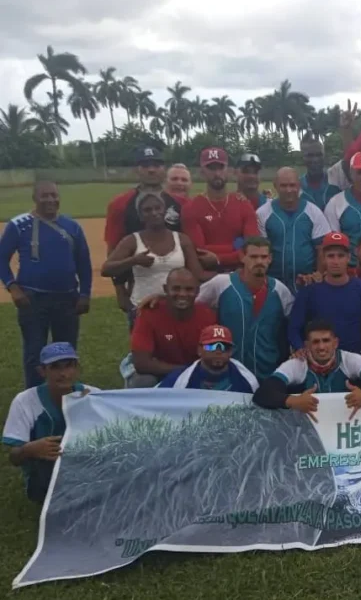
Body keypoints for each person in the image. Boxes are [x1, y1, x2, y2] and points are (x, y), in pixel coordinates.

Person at [1, 181, 91, 388]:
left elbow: (84, 264)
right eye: (45, 196)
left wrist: (84, 294)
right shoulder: (19, 225)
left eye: (54, 195)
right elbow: (1, 258)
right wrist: (13, 287)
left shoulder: (72, 227)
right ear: (35, 198)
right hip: (32, 299)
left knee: (67, 350)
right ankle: (33, 395)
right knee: (34, 351)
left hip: (67, 299)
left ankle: (64, 392)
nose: (50, 200)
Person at [2, 343, 98, 503]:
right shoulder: (25, 401)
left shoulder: (94, 395)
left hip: (84, 461)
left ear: (77, 368)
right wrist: (30, 450)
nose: (63, 374)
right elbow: (14, 457)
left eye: (69, 366)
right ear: (42, 371)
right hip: (47, 470)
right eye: (55, 367)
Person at [101, 190, 209, 327]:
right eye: (147, 210)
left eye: (158, 208)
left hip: (175, 307)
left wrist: (225, 272)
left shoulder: (181, 239)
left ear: (165, 211)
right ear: (140, 216)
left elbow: (197, 274)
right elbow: (106, 269)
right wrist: (133, 261)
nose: (154, 213)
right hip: (142, 306)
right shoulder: (132, 241)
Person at [196, 237, 294, 380]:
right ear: (242, 257)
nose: (259, 261)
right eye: (253, 257)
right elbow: (190, 302)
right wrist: (160, 299)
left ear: (270, 259)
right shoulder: (221, 283)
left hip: (267, 370)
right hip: (228, 371)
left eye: (263, 257)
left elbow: (296, 323)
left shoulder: (280, 290)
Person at [255, 319, 361, 419]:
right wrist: (292, 401)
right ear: (307, 345)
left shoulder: (351, 360)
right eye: (315, 342)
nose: (321, 347)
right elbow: (262, 394)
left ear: (335, 343)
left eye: (326, 341)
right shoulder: (297, 364)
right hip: (308, 434)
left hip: (346, 429)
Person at [105, 145, 185, 314]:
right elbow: (113, 248)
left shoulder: (179, 203)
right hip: (137, 285)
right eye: (145, 165)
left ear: (164, 169)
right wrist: (120, 291)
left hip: (177, 287)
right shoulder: (120, 204)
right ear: (137, 169)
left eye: (156, 165)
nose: (151, 170)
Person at [288, 232, 361, 368]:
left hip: (354, 362)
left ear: (348, 258)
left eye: (340, 256)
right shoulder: (309, 291)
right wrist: (299, 348)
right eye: (331, 256)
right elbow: (293, 328)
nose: (336, 261)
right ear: (323, 258)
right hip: (318, 364)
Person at [299, 90, 361, 211]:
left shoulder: (335, 175)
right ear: (302, 157)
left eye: (319, 155)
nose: (315, 159)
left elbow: (355, 152)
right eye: (310, 155)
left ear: (325, 155)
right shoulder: (294, 186)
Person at [126, 268, 217, 388]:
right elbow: (141, 364)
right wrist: (186, 370)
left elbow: (213, 356)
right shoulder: (149, 313)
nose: (183, 294)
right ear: (165, 289)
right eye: (176, 288)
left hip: (194, 373)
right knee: (143, 381)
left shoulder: (207, 315)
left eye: (189, 289)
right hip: (159, 373)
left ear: (197, 291)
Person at [181, 146, 260, 272]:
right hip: (207, 277)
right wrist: (236, 247)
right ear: (202, 172)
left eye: (220, 167)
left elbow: (253, 248)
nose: (217, 173)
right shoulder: (191, 208)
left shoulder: (243, 204)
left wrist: (218, 257)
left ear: (228, 170)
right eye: (211, 168)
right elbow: (200, 253)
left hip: (241, 275)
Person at [256, 167, 333, 290]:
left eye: (292, 185)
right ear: (275, 186)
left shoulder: (313, 211)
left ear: (299, 185)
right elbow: (259, 251)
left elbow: (322, 248)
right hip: (273, 284)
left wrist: (319, 274)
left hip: (307, 283)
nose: (288, 190)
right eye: (283, 185)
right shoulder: (263, 213)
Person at [158, 325, 259, 393]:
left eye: (224, 347)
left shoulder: (247, 380)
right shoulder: (179, 380)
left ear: (230, 352)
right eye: (211, 346)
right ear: (199, 350)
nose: (218, 351)